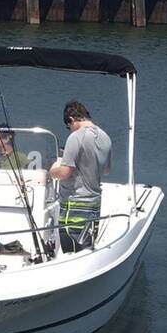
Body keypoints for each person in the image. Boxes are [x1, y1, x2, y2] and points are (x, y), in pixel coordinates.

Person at [49, 100, 111, 252]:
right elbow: (106, 170)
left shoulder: (76, 137)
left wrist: (52, 169)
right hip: (94, 203)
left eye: (68, 126)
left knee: (70, 249)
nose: (70, 130)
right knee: (86, 248)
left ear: (71, 119)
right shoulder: (105, 137)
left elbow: (64, 173)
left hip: (75, 204)